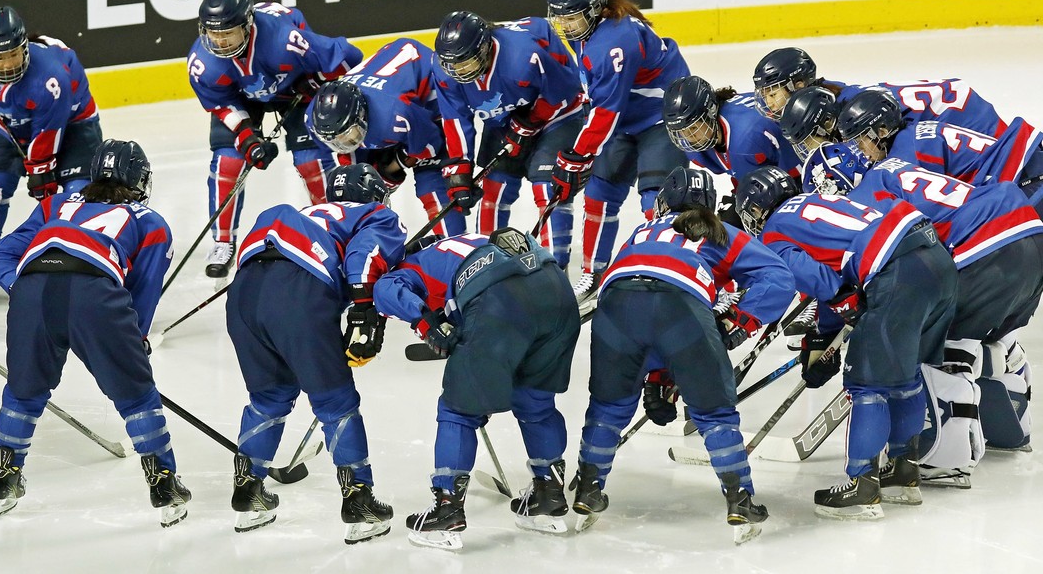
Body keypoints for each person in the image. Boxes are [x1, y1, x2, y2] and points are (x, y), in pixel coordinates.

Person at [569, 168, 792, 542]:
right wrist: (739, 323)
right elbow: (779, 277)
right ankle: (740, 501)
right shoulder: (719, 232)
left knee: (608, 405)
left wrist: (655, 375)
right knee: (714, 412)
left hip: (615, 305)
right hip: (681, 307)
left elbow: (645, 308)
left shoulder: (641, 232)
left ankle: (588, 489)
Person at [736, 165, 956, 520]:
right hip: (937, 260)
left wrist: (833, 321)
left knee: (867, 384)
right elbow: (837, 277)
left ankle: (862, 486)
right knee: (905, 375)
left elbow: (822, 280)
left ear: (757, 209)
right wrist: (825, 334)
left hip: (895, 271)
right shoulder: (821, 201)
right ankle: (903, 471)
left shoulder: (775, 231)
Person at [805, 143, 1040, 475]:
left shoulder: (861, 201)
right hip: (1028, 234)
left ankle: (944, 460)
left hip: (985, 248)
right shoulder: (894, 168)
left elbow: (874, 269)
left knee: (921, 340)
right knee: (974, 338)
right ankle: (1009, 396)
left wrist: (824, 330)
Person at [0, 140, 184, 525]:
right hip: (95, 292)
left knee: (23, 392)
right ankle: (163, 482)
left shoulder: (56, 204)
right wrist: (134, 341)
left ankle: (4, 474)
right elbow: (141, 293)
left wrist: (24, 287)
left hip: (32, 294)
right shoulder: (149, 221)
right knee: (137, 395)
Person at [221, 164, 404, 544]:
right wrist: (363, 308)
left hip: (243, 294)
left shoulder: (311, 214)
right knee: (335, 402)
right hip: (298, 293)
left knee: (268, 397)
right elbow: (365, 256)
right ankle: (359, 502)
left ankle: (248, 492)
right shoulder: (375, 213)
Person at [373, 227, 580, 550]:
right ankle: (547, 496)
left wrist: (426, 323)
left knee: (458, 409)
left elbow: (385, 290)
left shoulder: (411, 266)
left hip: (501, 300)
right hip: (557, 289)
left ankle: (447, 510)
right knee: (535, 400)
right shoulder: (461, 241)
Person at [187, 0, 360, 277]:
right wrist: (246, 137)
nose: (220, 42)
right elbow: (219, 103)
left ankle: (334, 234)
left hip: (295, 89)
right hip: (241, 97)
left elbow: (348, 57)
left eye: (227, 33)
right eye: (213, 33)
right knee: (228, 161)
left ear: (247, 24)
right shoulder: (203, 63)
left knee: (312, 164)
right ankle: (223, 241)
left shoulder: (286, 39)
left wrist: (318, 81)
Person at [545, 0, 691, 306]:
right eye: (561, 17)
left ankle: (669, 270)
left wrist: (577, 155)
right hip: (628, 118)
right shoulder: (590, 29)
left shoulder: (614, 42)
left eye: (573, 17)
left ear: (594, 9)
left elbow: (606, 111)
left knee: (658, 198)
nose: (566, 25)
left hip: (661, 117)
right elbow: (605, 104)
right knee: (598, 193)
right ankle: (594, 273)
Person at [431, 12, 585, 262]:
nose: (458, 71)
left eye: (464, 62)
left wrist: (529, 122)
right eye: (451, 64)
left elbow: (565, 91)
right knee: (493, 189)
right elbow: (455, 118)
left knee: (548, 187)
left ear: (484, 49)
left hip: (559, 113)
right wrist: (459, 169)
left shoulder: (523, 57)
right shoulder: (444, 71)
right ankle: (488, 265)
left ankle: (556, 267)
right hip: (504, 118)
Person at [0, 6, 102, 237]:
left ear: (25, 47)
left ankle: (80, 252)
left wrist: (41, 176)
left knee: (78, 195)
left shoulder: (51, 80)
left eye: (13, 54)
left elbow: (45, 142)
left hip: (72, 122)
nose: (9, 64)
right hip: (9, 122)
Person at [308, 38, 463, 235]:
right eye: (335, 141)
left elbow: (431, 144)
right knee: (354, 192)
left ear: (361, 116)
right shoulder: (315, 117)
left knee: (431, 189)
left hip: (427, 104)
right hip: (392, 99)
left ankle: (456, 247)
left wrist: (398, 163)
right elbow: (351, 159)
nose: (343, 144)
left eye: (348, 135)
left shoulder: (395, 116)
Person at [836, 89, 1043, 209]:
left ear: (882, 131)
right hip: (1028, 167)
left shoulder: (907, 152)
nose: (858, 150)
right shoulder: (912, 134)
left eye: (860, 140)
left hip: (1026, 181)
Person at [752, 47, 1019, 138]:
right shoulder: (829, 95)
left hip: (965, 119)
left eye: (773, 93)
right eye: (764, 94)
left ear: (799, 85)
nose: (768, 102)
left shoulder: (840, 109)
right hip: (957, 106)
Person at [662, 75, 799, 189]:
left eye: (693, 128)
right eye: (681, 131)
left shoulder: (747, 136)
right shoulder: (698, 146)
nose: (688, 136)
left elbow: (794, 176)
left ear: (711, 111)